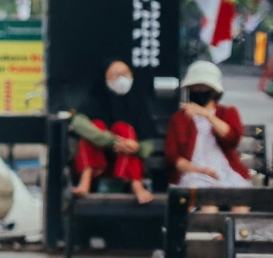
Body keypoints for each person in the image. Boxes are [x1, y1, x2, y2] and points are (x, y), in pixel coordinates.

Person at [69, 59, 152, 202]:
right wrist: (112, 141)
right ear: (105, 78)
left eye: (125, 74)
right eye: (115, 75)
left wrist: (136, 147)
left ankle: (136, 184)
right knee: (96, 125)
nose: (122, 79)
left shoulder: (137, 103)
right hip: (98, 162)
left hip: (125, 165)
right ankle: (85, 179)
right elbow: (78, 123)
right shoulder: (95, 100)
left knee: (124, 128)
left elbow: (148, 142)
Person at [168, 59, 252, 192]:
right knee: (207, 202)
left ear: (214, 90)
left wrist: (206, 115)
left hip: (226, 173)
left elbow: (232, 138)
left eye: (203, 87)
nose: (198, 90)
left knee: (240, 202)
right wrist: (201, 170)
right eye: (195, 87)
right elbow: (174, 158)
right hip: (193, 174)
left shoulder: (228, 113)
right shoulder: (178, 118)